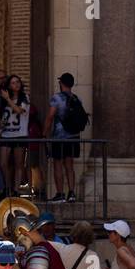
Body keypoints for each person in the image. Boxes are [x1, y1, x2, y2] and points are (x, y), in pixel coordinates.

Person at [47, 73, 82, 203]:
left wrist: (45, 133)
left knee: (57, 165)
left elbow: (50, 116)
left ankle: (60, 194)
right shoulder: (77, 98)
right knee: (69, 165)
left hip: (59, 137)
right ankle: (71, 193)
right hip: (73, 137)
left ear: (61, 83)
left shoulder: (56, 98)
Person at [0, 74, 30, 197]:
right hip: (6, 135)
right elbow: (5, 116)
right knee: (3, 163)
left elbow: (19, 110)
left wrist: (8, 99)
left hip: (20, 134)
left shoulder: (24, 98)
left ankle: (16, 190)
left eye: (17, 82)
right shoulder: (5, 100)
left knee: (18, 164)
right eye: (13, 83)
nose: (16, 84)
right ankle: (7, 186)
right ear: (9, 86)